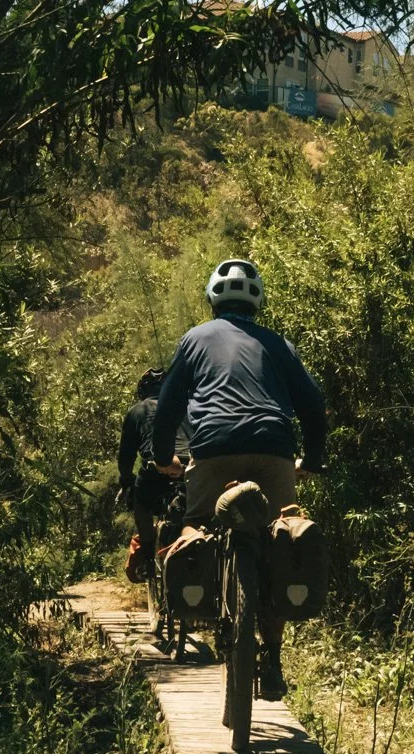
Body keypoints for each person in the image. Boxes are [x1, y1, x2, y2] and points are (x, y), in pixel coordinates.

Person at [150, 258, 327, 700]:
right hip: (274, 449)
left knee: (197, 525)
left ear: (212, 299)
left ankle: (203, 597)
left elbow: (168, 405)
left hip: (212, 451)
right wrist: (313, 459)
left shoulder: (194, 339)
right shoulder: (279, 344)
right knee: (278, 538)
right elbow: (313, 405)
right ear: (257, 303)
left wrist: (161, 457)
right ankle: (273, 654)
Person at [117, 366, 189, 562]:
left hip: (157, 465)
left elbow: (126, 456)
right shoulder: (185, 406)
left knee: (141, 503)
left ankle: (148, 554)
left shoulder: (136, 411)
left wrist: (126, 481)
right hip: (189, 466)